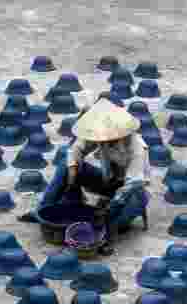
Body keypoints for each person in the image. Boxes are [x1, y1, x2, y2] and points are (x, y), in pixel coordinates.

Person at [20, 98, 150, 255]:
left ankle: (106, 237)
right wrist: (73, 170)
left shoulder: (137, 147)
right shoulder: (101, 132)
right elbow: (77, 148)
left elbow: (133, 182)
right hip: (109, 181)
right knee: (65, 166)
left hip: (132, 192)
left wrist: (110, 207)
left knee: (109, 221)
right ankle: (42, 211)